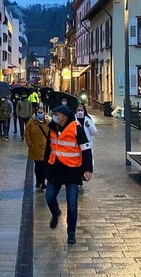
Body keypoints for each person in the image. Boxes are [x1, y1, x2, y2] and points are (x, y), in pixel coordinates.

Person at [44, 105, 93, 244]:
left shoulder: (76, 127)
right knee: (49, 197)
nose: (54, 116)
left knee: (72, 203)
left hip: (72, 170)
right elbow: (49, 148)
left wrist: (88, 169)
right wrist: (45, 167)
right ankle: (55, 212)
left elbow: (86, 149)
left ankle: (71, 232)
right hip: (55, 170)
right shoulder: (53, 128)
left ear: (64, 116)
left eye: (57, 114)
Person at [24, 108, 50, 190]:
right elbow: (27, 133)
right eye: (39, 112)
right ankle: (39, 180)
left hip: (45, 148)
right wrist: (30, 143)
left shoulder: (47, 122)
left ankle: (42, 181)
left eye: (42, 112)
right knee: (38, 166)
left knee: (43, 166)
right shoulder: (31, 123)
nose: (40, 114)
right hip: (35, 148)